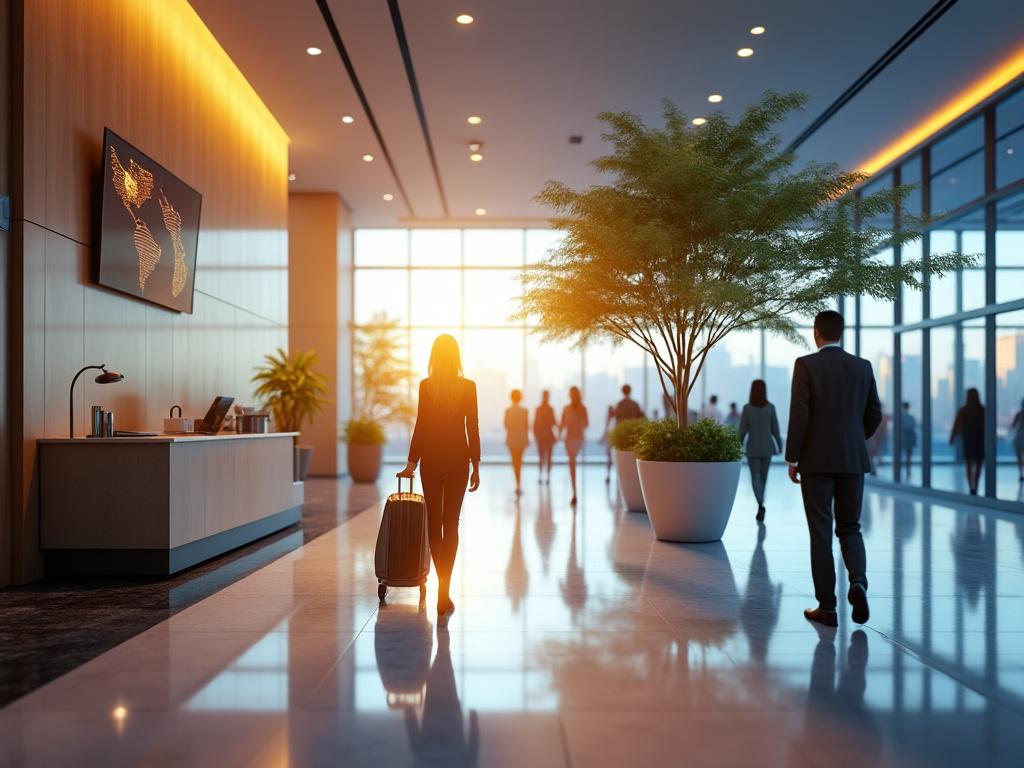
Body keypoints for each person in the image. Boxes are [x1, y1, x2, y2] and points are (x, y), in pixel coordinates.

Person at [786, 310, 881, 628]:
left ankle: (827, 607)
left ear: (816, 333)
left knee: (820, 533)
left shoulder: (806, 365)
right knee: (850, 527)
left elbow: (799, 413)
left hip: (815, 461)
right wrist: (855, 439)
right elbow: (874, 415)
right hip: (853, 459)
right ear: (841, 333)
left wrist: (793, 456)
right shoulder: (863, 367)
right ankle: (858, 582)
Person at [398, 334, 480, 624]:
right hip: (459, 460)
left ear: (434, 356)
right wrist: (477, 464)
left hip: (431, 460)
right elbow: (473, 428)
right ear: (456, 357)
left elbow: (421, 425)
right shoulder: (468, 387)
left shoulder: (427, 386)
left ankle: (442, 589)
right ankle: (443, 591)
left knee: (434, 522)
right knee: (450, 524)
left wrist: (411, 463)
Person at [739, 379, 782, 522]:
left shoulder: (747, 409)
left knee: (755, 478)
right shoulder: (770, 408)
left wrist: (737, 447)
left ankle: (760, 505)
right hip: (767, 448)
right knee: (764, 478)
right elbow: (775, 429)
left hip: (752, 449)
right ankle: (761, 504)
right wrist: (779, 446)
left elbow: (742, 431)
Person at [950, 387, 985, 495]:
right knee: (978, 463)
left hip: (968, 438)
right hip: (979, 439)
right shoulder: (982, 410)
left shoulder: (964, 410)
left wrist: (952, 437)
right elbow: (987, 425)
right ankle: (976, 485)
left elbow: (956, 425)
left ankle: (971, 486)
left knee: (969, 463)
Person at [560, 386, 589, 506]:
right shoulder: (567, 408)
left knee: (572, 462)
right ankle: (574, 493)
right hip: (570, 438)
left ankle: (574, 493)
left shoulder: (582, 409)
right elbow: (562, 424)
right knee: (572, 463)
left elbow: (586, 423)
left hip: (577, 438)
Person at [504, 389, 529, 495]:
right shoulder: (524, 410)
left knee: (515, 462)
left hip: (512, 439)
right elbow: (526, 426)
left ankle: (517, 484)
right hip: (522, 439)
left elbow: (506, 425)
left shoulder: (508, 410)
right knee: (520, 462)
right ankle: (519, 484)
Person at [533, 390, 557, 484]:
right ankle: (543, 476)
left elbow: (553, 421)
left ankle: (547, 477)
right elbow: (535, 423)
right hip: (543, 436)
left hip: (545, 436)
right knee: (542, 457)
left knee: (546, 457)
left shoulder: (547, 409)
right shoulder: (542, 409)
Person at [867, 404, 889, 476]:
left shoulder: (882, 416)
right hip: (875, 438)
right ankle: (873, 469)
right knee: (872, 454)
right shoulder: (883, 416)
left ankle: (873, 469)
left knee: (872, 454)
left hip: (875, 438)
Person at [900, 402, 917, 478]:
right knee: (907, 455)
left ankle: (907, 470)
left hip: (908, 438)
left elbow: (911, 427)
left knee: (908, 455)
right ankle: (907, 470)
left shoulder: (907, 417)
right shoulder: (910, 418)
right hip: (907, 438)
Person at [1011, 398, 1024, 482]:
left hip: (1020, 436)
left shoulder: (1019, 414)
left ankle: (1021, 474)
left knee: (1019, 456)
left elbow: (1013, 426)